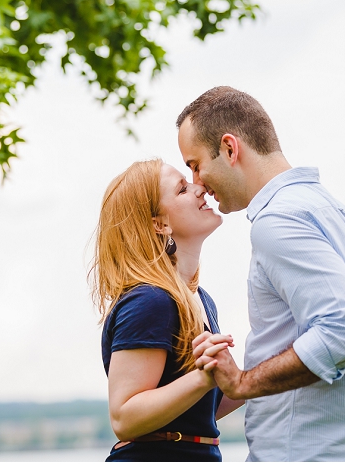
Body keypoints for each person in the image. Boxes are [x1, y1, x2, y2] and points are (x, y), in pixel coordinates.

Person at [177, 86, 345, 462]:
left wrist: (243, 383)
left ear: (230, 148)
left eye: (195, 164)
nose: (196, 183)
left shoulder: (277, 221)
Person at [91, 159, 243, 462]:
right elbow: (124, 418)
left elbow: (201, 409)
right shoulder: (152, 300)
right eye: (183, 189)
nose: (200, 188)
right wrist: (202, 378)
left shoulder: (201, 299)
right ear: (159, 223)